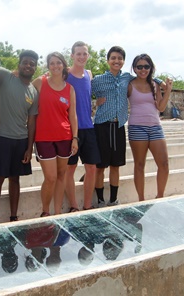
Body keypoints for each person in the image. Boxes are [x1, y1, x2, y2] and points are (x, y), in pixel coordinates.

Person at [92, 46, 164, 207]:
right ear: (108, 60)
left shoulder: (127, 78)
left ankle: (113, 199)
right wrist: (94, 103)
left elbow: (146, 77)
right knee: (100, 167)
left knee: (116, 165)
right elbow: (83, 92)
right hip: (102, 126)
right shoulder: (98, 80)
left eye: (120, 58)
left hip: (119, 126)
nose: (116, 61)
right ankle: (100, 200)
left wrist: (160, 81)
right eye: (113, 58)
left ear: (124, 61)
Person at [0, 50, 39, 224]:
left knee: (15, 178)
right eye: (25, 62)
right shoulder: (6, 77)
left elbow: (32, 122)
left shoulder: (33, 92)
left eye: (32, 64)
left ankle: (13, 217)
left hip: (21, 140)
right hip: (1, 137)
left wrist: (29, 147)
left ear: (35, 68)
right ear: (19, 64)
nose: (28, 66)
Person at [32, 52, 78, 217]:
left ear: (64, 65)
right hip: (43, 138)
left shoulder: (70, 89)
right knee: (50, 177)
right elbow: (24, 92)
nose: (55, 66)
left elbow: (72, 116)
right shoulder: (40, 82)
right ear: (48, 66)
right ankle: (45, 211)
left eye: (58, 63)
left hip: (65, 137)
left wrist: (75, 138)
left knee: (61, 176)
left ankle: (57, 212)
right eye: (52, 63)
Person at [127, 54, 173, 201]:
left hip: (155, 127)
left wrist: (168, 91)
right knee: (139, 165)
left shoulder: (155, 84)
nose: (143, 69)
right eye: (139, 67)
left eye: (146, 66)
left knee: (164, 164)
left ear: (151, 68)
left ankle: (160, 196)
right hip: (136, 127)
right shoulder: (129, 84)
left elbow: (160, 106)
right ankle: (141, 199)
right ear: (134, 68)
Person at [64, 41, 101, 212]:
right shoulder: (65, 74)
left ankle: (87, 205)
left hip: (88, 127)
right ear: (72, 56)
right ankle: (73, 206)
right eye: (78, 53)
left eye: (84, 53)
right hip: (71, 130)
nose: (81, 56)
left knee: (91, 168)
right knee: (70, 169)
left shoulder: (89, 74)